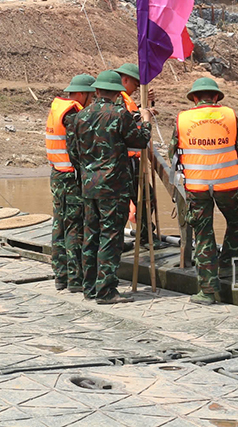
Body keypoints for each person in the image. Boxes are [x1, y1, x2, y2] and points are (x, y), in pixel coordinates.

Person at [67, 69, 151, 304]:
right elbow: (140, 141)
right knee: (111, 237)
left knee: (90, 235)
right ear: (117, 93)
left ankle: (90, 287)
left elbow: (72, 152)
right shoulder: (119, 114)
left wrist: (87, 171)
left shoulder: (80, 117)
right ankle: (106, 291)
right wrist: (146, 121)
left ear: (96, 91)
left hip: (88, 186)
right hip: (113, 187)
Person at [171, 77, 238, 305]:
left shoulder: (182, 119)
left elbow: (172, 153)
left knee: (203, 235)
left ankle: (207, 292)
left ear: (194, 98)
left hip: (196, 188)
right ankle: (226, 265)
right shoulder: (230, 116)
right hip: (229, 186)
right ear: (216, 97)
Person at [45, 74, 94, 293]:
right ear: (83, 94)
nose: (92, 101)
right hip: (70, 177)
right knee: (74, 226)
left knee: (59, 225)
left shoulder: (58, 108)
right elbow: (78, 147)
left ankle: (61, 275)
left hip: (57, 174)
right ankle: (75, 278)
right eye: (92, 96)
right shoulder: (72, 114)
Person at [115, 63, 158, 245]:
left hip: (131, 160)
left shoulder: (125, 100)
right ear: (125, 80)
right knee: (140, 199)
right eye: (135, 85)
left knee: (145, 198)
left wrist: (144, 106)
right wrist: (144, 115)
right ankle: (141, 236)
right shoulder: (119, 99)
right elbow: (127, 124)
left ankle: (145, 234)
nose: (135, 89)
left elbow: (132, 119)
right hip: (125, 161)